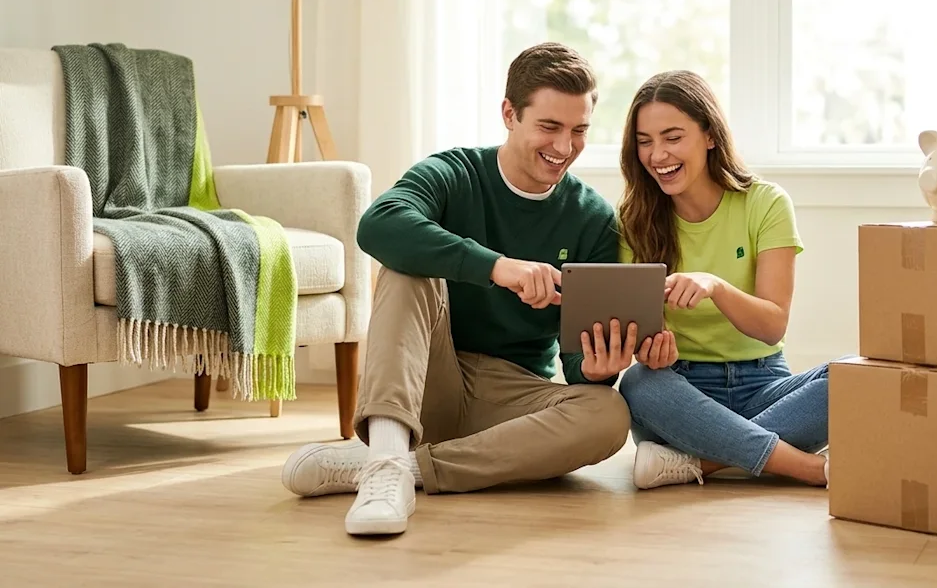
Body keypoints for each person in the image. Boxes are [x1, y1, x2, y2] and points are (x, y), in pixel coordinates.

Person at [278, 43, 664, 536]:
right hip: (427, 379)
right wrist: (497, 267)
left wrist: (595, 366)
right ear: (509, 113)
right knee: (405, 264)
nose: (564, 147)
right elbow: (378, 226)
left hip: (511, 400)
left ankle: (395, 466)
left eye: (579, 131)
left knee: (609, 414)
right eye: (549, 127)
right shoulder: (455, 173)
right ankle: (388, 461)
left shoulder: (592, 218)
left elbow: (576, 374)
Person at [614, 70, 831, 490]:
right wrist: (650, 349)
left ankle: (698, 462)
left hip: (764, 382)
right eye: (645, 141)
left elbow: (771, 328)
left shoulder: (765, 203)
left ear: (710, 135)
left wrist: (715, 285)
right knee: (639, 383)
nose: (658, 154)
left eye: (673, 137)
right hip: (681, 391)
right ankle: (808, 468)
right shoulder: (631, 221)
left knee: (855, 377)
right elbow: (635, 332)